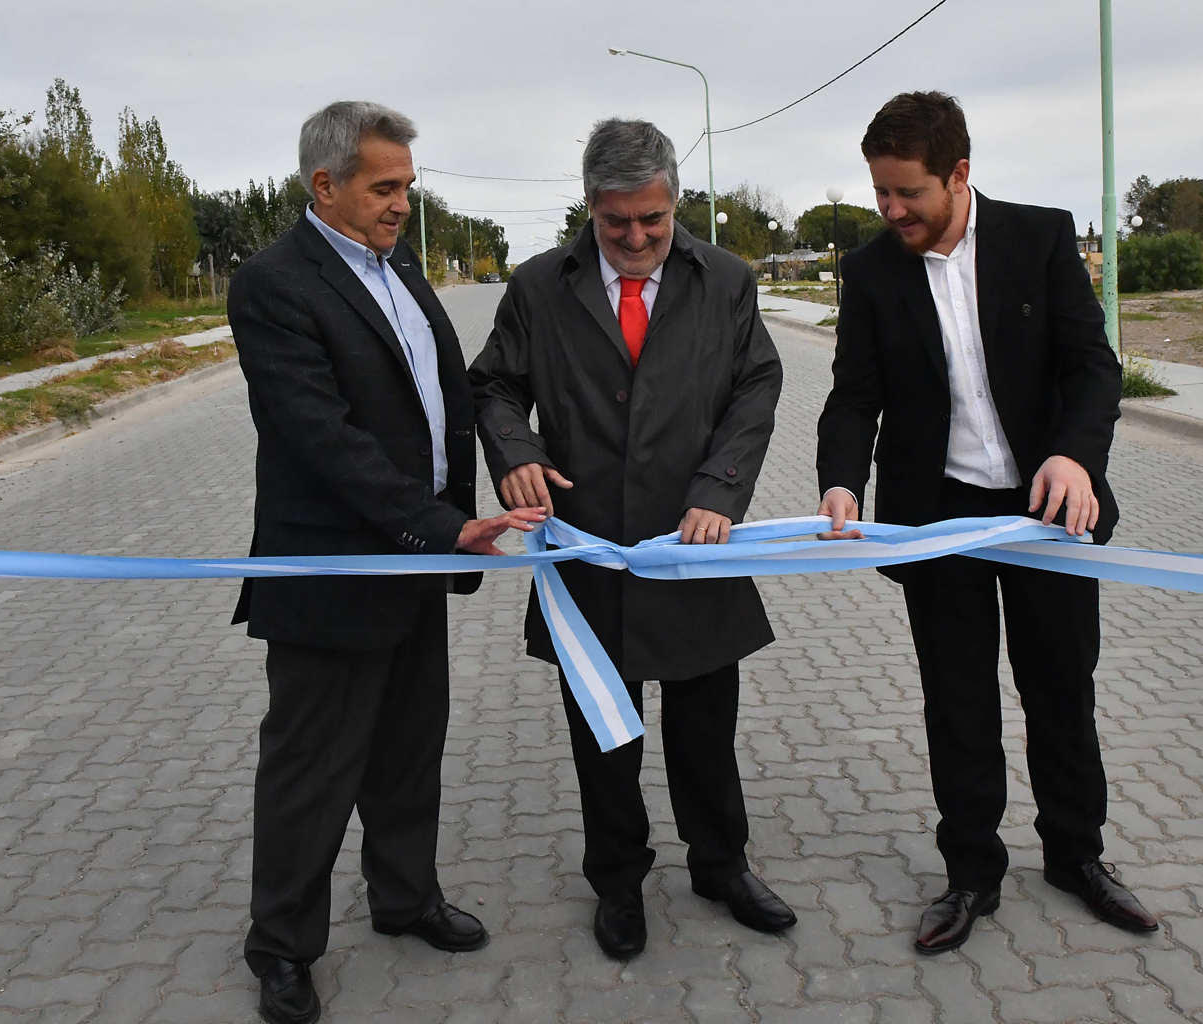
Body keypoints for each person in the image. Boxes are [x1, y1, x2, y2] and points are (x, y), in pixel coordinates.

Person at [814, 91, 1157, 955]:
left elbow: (1092, 367)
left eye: (909, 194)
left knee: (1060, 691)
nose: (891, 212)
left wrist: (1075, 455)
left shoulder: (1039, 239)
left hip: (1046, 510)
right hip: (940, 517)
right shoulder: (872, 270)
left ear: (959, 175)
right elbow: (854, 397)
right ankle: (971, 871)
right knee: (957, 702)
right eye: (880, 195)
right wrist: (842, 485)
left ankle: (1078, 858)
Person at [228, 100, 544, 1024]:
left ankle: (406, 899)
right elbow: (320, 438)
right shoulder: (274, 284)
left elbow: (441, 398)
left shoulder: (398, 269)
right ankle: (282, 947)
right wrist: (436, 524)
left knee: (410, 750)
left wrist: (481, 489)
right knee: (312, 768)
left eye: (408, 184)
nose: (403, 202)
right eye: (384, 187)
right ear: (324, 185)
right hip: (331, 578)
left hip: (413, 565)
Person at [469, 118, 791, 961]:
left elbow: (757, 384)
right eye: (619, 224)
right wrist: (516, 455)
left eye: (654, 219)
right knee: (604, 734)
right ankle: (617, 881)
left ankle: (721, 865)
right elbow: (496, 385)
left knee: (704, 723)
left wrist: (721, 489)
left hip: (695, 542)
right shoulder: (540, 287)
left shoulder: (724, 280)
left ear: (675, 201)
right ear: (590, 209)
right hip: (589, 550)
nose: (639, 238)